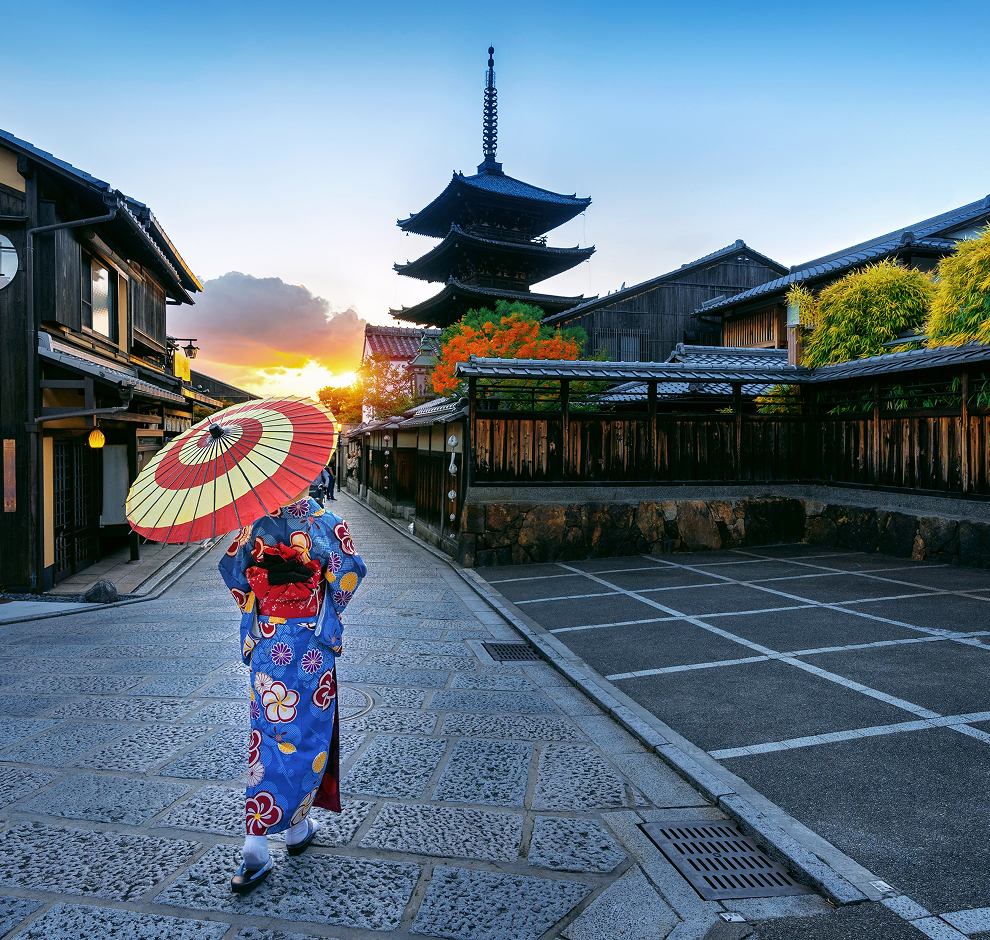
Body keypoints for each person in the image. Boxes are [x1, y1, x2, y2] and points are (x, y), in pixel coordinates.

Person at [218, 483, 366, 894]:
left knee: (269, 734)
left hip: (269, 640)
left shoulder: (252, 525)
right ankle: (271, 834)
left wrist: (264, 607)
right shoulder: (325, 522)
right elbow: (350, 574)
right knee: (307, 735)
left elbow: (232, 572)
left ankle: (281, 831)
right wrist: (315, 604)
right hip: (309, 645)